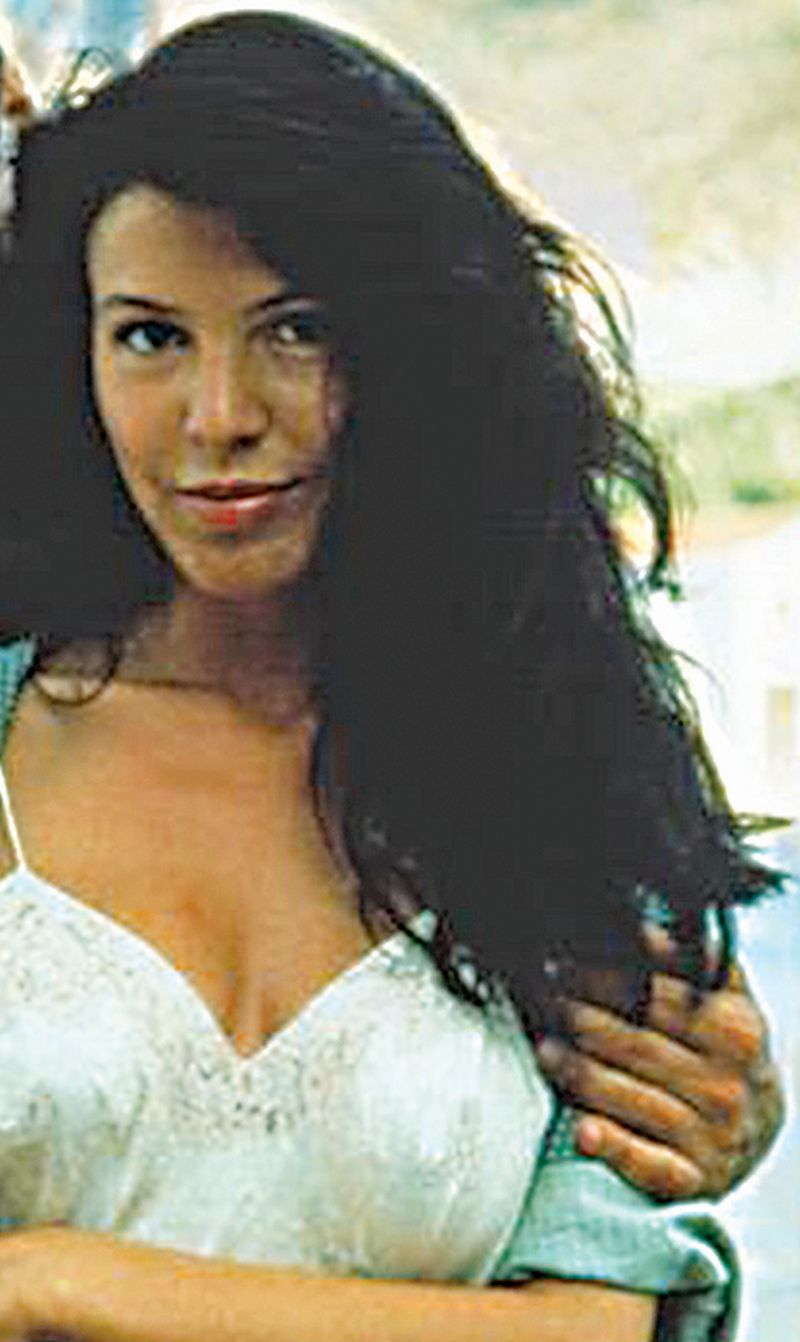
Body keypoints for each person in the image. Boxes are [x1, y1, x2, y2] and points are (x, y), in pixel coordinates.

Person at [0, 11, 783, 1339]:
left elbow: (601, 1324)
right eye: (149, 337)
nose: (221, 417)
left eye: (294, 329)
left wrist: (47, 1283)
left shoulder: (560, 768)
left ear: (417, 347)